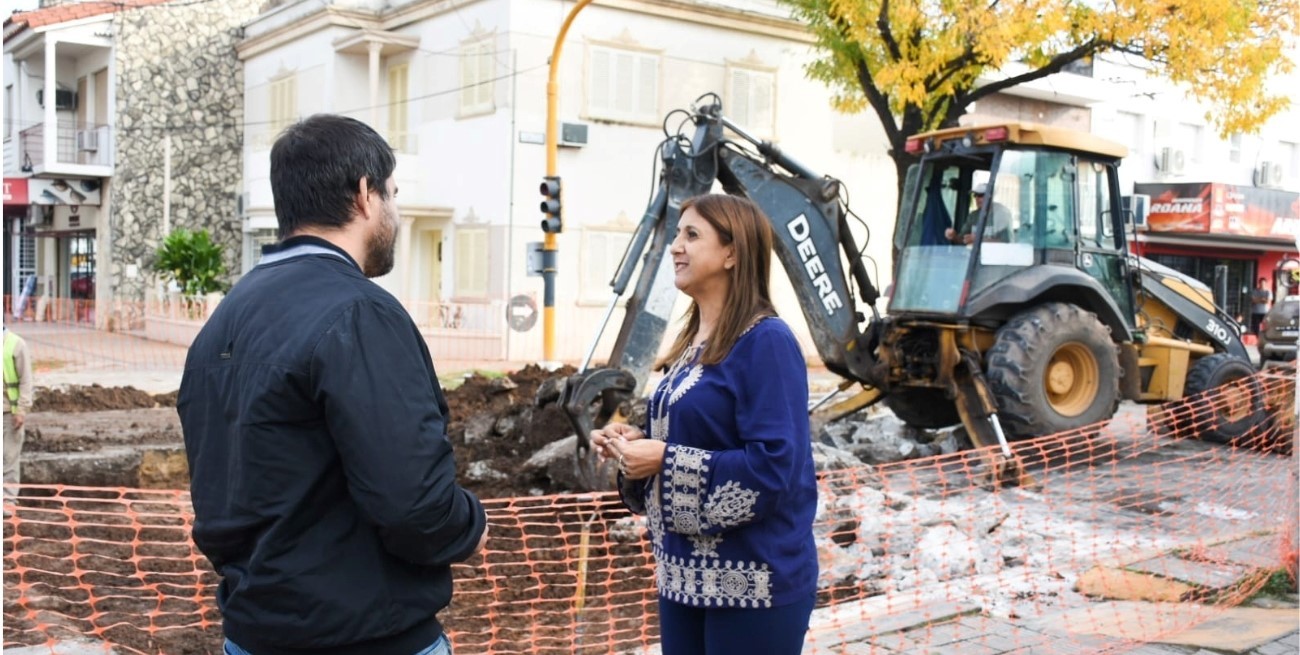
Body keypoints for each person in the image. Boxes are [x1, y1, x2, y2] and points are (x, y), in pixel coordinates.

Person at [177, 114, 488, 655]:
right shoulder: (359, 313)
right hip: (367, 638)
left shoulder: (226, 318)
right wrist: (468, 525)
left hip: (253, 633)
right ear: (365, 195)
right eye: (393, 195)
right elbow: (412, 504)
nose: (396, 212)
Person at [590, 194, 818, 655]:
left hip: (755, 583)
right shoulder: (691, 343)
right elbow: (701, 436)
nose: (676, 246)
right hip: (682, 578)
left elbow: (775, 466)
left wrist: (665, 459)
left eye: (692, 235)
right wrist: (637, 445)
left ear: (732, 253)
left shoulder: (767, 342)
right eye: (678, 234)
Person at [3, 326, 34, 501]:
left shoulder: (15, 344)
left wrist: (21, 410)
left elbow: (26, 380)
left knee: (9, 458)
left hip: (9, 412)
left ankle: (7, 502)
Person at [945, 182, 1012, 245]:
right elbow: (963, 240)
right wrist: (954, 236)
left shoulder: (1002, 214)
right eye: (975, 195)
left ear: (990, 196)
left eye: (980, 195)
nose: (977, 198)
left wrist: (978, 239)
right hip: (974, 253)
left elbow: (1005, 242)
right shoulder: (973, 216)